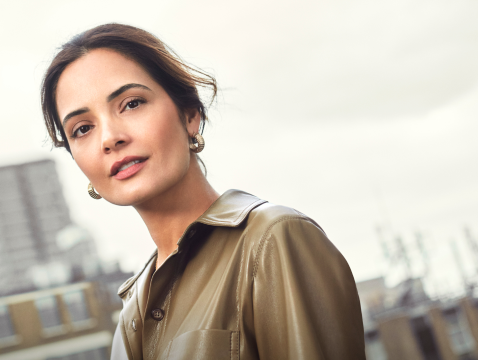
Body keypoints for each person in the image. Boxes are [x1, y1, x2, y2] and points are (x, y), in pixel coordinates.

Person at [40, 23, 365, 360]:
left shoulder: (273, 240)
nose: (109, 138)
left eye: (132, 104)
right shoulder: (131, 311)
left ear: (190, 115)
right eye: (82, 129)